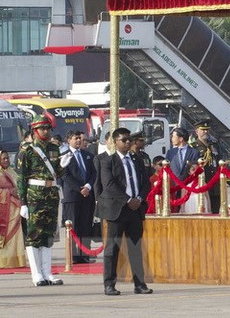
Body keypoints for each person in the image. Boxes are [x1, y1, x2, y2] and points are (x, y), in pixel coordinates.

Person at [100, 127, 152, 296]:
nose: (128, 142)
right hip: (118, 209)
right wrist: (128, 200)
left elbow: (146, 182)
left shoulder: (137, 159)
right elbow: (109, 185)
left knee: (135, 247)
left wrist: (139, 199)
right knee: (112, 249)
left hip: (135, 210)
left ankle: (139, 283)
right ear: (115, 142)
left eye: (129, 139)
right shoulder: (108, 161)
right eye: (124, 140)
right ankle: (109, 284)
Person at [17, 114, 66, 286]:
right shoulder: (27, 150)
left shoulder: (54, 148)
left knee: (48, 235)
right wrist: (23, 202)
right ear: (34, 130)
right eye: (41, 128)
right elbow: (21, 178)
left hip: (51, 194)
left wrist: (64, 166)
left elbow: (58, 173)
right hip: (34, 196)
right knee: (33, 235)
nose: (45, 131)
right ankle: (36, 274)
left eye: (47, 128)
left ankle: (48, 272)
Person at [61, 130, 97, 264]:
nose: (78, 141)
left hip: (87, 195)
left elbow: (93, 173)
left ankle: (85, 254)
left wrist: (88, 186)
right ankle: (73, 255)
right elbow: (65, 175)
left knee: (85, 225)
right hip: (72, 196)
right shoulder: (64, 156)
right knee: (73, 226)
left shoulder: (88, 155)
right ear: (68, 140)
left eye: (79, 139)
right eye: (75, 138)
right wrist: (79, 188)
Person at [0, 150, 26, 269]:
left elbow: (19, 185)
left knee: (16, 235)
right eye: (3, 158)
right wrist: (10, 192)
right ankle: (4, 261)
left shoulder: (11, 171)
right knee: (5, 236)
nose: (6, 160)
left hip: (15, 209)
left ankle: (16, 260)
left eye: (7, 158)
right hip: (3, 210)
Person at [189, 121, 222, 212]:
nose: (205, 132)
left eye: (207, 130)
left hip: (215, 183)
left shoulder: (214, 145)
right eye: (203, 130)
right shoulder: (193, 147)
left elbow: (219, 160)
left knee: (215, 209)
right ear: (196, 131)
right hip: (203, 182)